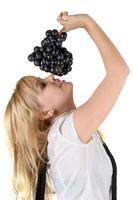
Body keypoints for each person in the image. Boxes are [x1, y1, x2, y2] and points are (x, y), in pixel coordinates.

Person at [3, 11, 130, 200]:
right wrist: (87, 22)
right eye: (42, 85)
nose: (50, 76)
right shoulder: (66, 133)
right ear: (45, 112)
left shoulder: (64, 136)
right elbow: (119, 72)